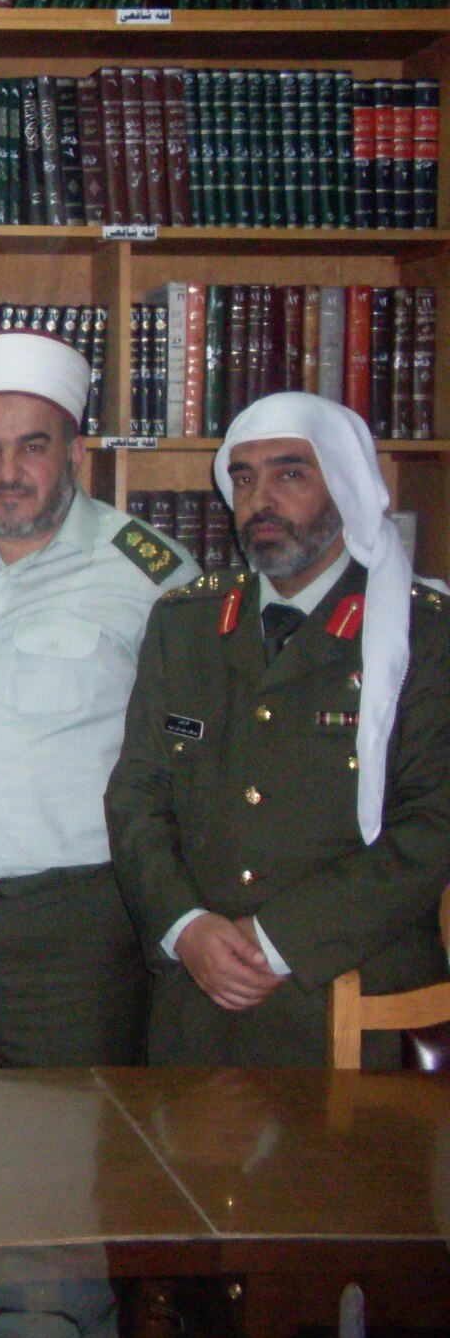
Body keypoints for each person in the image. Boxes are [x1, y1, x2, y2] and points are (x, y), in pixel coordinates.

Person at [108, 391, 450, 1067]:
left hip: (351, 998)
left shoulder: (423, 632)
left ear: (345, 486)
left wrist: (279, 938)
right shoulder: (187, 623)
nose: (260, 498)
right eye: (243, 477)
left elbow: (434, 823)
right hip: (199, 994)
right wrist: (186, 927)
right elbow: (137, 796)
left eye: (290, 474)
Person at [0, 332, 196, 1067]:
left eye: (32, 447)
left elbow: (193, 761)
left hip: (74, 932)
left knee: (63, 1152)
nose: (6, 473)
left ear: (75, 452)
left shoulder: (149, 575)